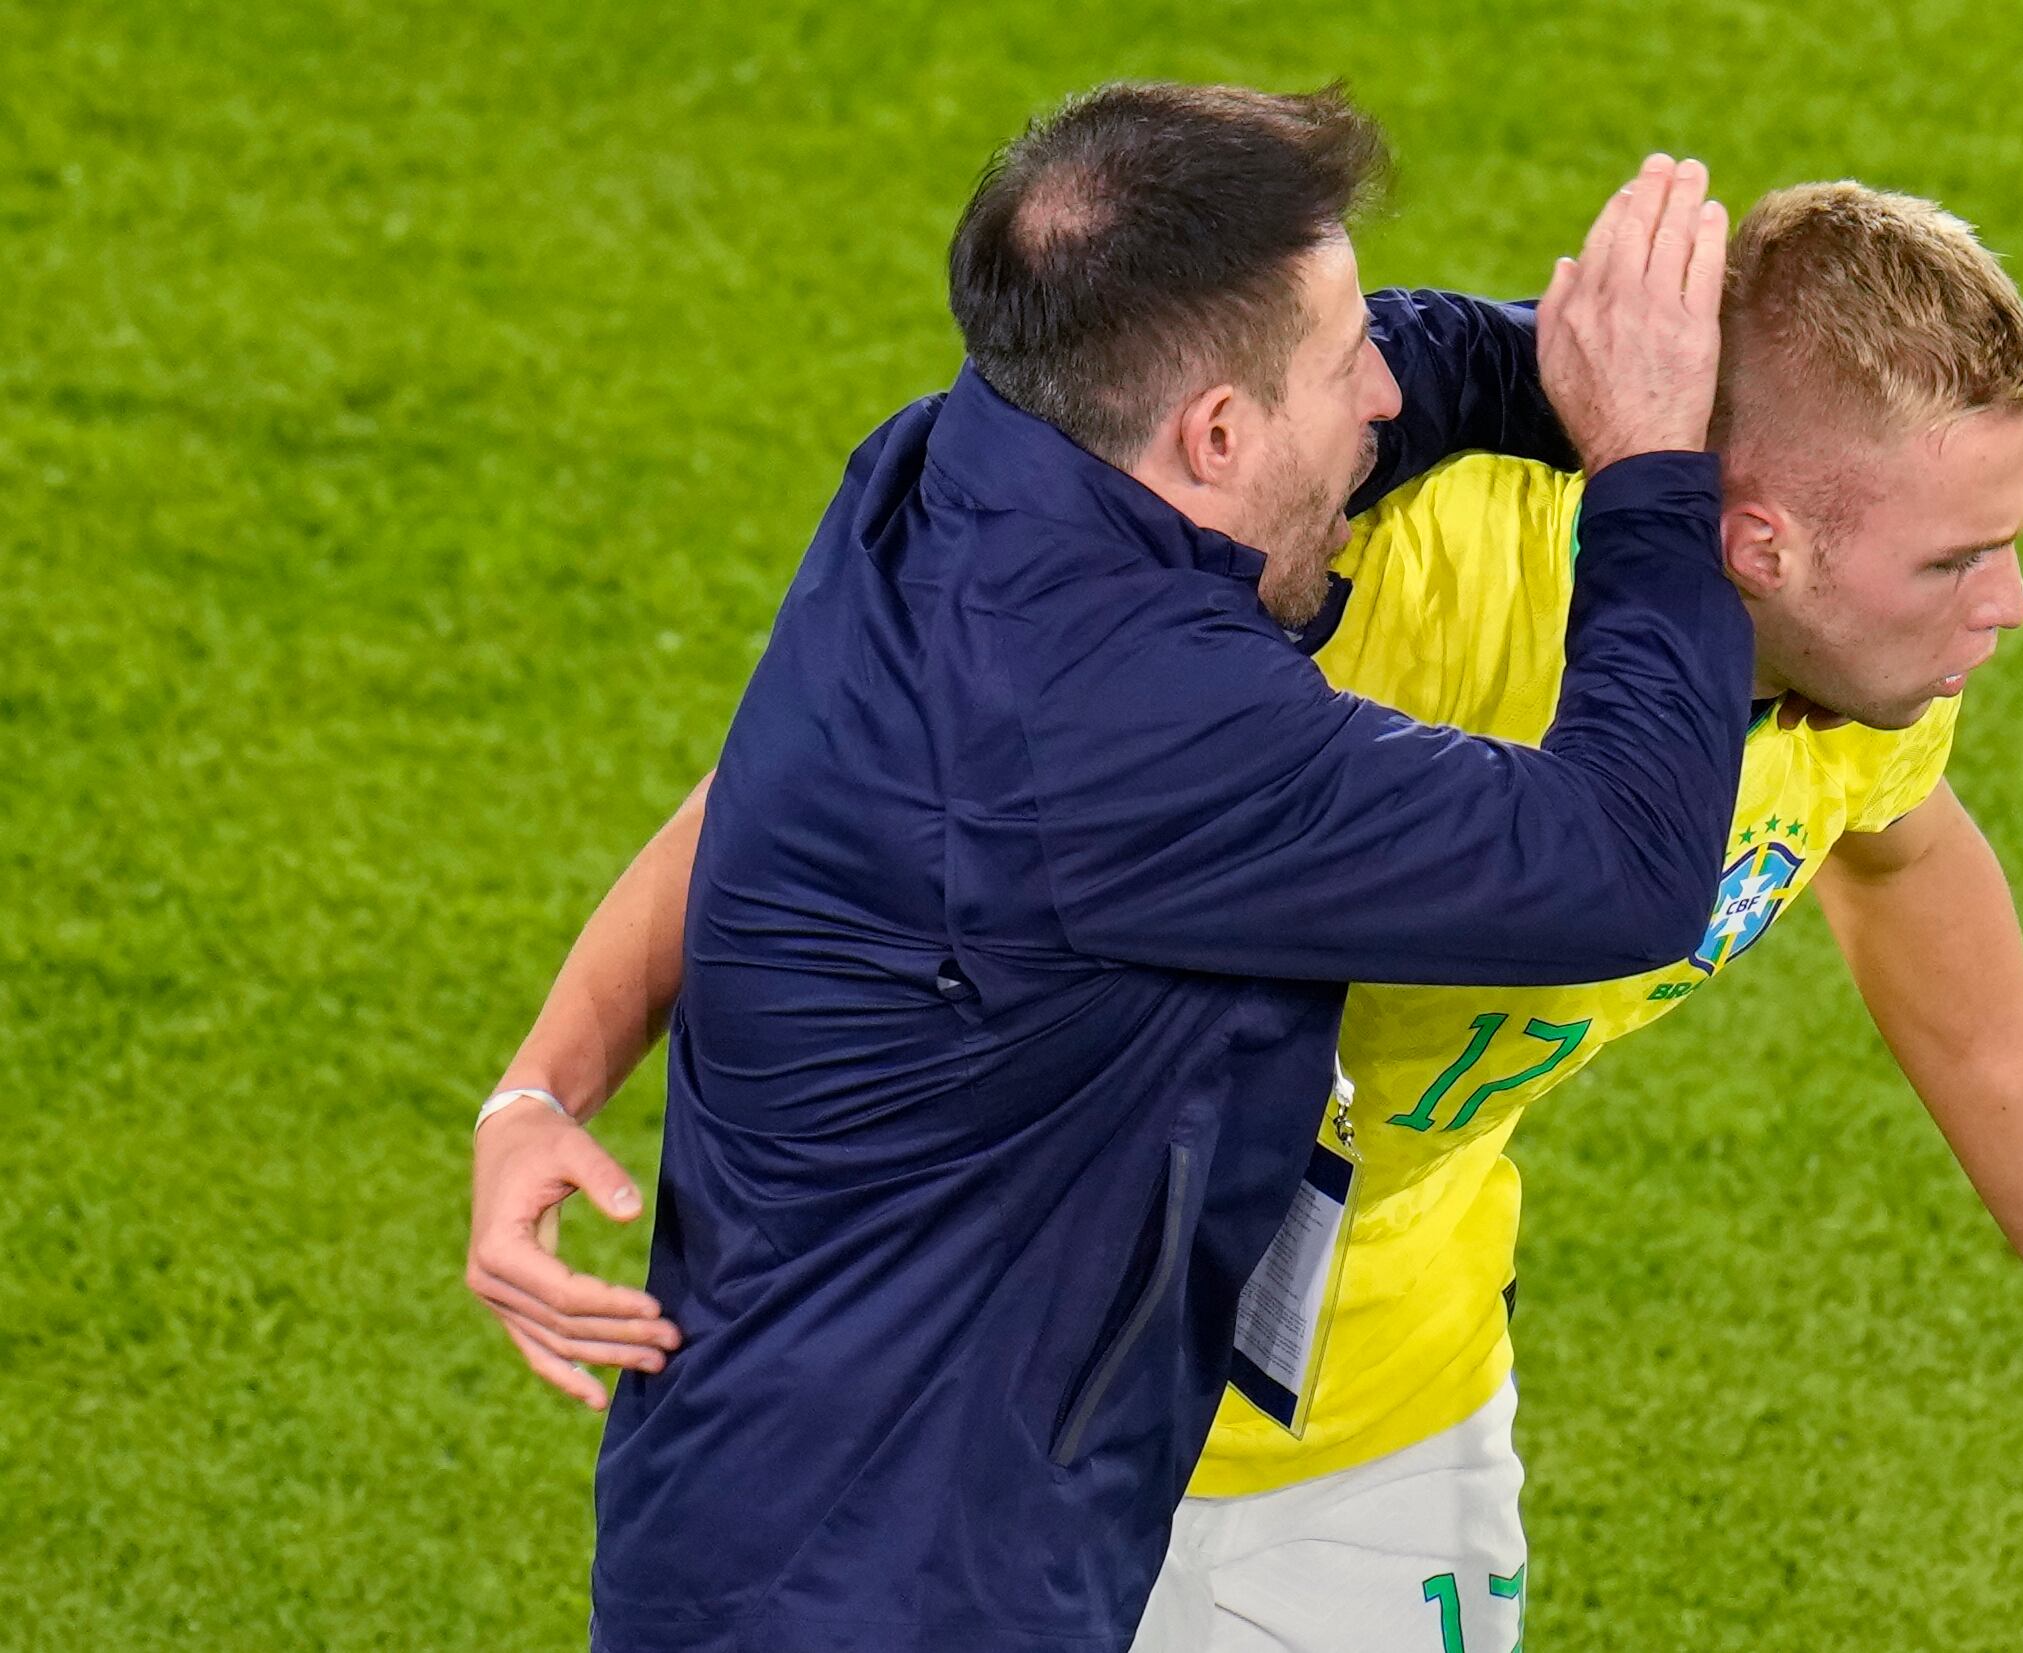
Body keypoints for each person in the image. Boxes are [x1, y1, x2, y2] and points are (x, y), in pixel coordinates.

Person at [473, 180, 2023, 1651]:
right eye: (1961, 559)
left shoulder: (1868, 669)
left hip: (1374, 1424)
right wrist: (543, 1080)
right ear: (1755, 546)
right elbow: (839, 791)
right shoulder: (1390, 567)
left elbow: (1902, 854)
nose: (2012, 608)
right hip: (1001, 1413)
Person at [494, 79, 1758, 1653]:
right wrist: (1649, 471)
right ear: (1213, 433)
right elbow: (1621, 862)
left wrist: (536, 1086)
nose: (1384, 393)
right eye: (1341, 354)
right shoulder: (1129, 730)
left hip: (806, 1521)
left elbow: (1393, 383)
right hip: (888, 1598)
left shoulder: (972, 454)